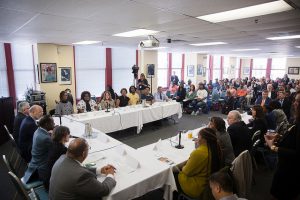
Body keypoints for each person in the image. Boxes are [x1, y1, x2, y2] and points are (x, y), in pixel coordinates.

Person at [49, 138, 116, 200]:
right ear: (83, 153)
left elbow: (77, 168)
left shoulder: (62, 158)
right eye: (88, 149)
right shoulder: (82, 176)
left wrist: (100, 170)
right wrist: (110, 175)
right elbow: (104, 190)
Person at [264, 91, 300, 200]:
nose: (294, 103)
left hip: (290, 173)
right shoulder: (297, 120)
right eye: (295, 100)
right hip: (287, 169)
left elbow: (298, 154)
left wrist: (273, 147)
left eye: (298, 101)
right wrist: (280, 138)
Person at [176, 128, 223, 199]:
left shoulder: (199, 153)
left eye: (198, 137)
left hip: (198, 187)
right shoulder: (216, 148)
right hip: (208, 183)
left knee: (173, 175)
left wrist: (182, 166)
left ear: (204, 140)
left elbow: (186, 172)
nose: (197, 139)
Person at [23, 115, 55, 184]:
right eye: (52, 123)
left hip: (35, 162)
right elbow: (56, 149)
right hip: (40, 168)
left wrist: (50, 133)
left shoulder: (38, 131)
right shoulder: (45, 138)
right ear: (46, 124)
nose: (54, 124)